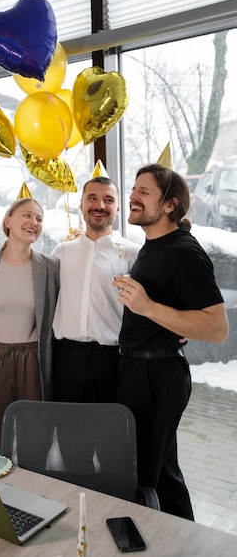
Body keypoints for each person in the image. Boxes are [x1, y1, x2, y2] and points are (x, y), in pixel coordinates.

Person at [114, 163, 229, 520]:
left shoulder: (184, 252)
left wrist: (148, 307)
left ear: (169, 205)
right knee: (161, 473)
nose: (133, 196)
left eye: (143, 192)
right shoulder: (151, 246)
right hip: (139, 369)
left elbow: (217, 328)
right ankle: (186, 542)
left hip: (158, 375)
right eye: (134, 189)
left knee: (147, 476)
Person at [52, 176, 140, 403]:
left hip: (111, 360)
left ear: (118, 208)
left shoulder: (132, 254)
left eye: (108, 200)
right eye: (92, 198)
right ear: (81, 204)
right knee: (67, 430)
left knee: (108, 432)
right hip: (65, 358)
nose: (100, 206)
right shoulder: (62, 251)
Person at [0, 198, 60, 451]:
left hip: (33, 359)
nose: (34, 223)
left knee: (36, 435)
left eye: (39, 219)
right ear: (8, 222)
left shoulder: (50, 267)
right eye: (27, 216)